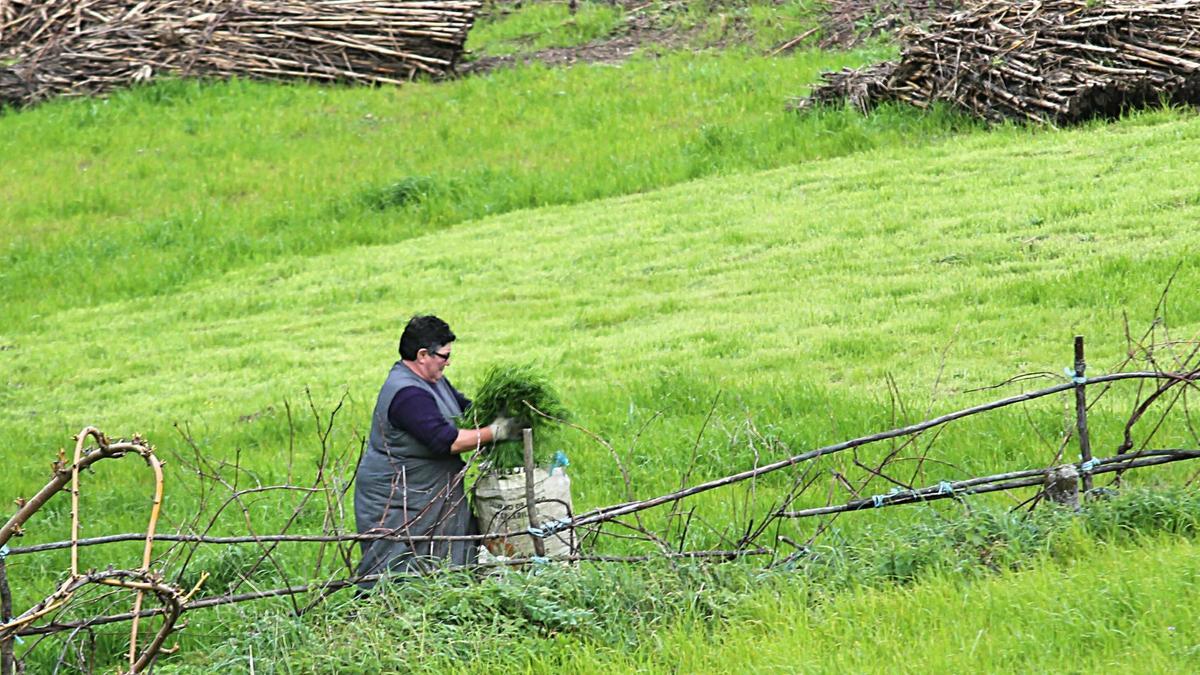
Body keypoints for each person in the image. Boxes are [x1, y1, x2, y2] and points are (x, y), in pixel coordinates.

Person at [354, 315, 521, 585]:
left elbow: (465, 411)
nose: (448, 362)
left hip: (429, 492)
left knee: (442, 563)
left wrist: (499, 411)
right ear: (422, 355)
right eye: (444, 356)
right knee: (397, 568)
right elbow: (448, 441)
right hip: (399, 498)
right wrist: (497, 432)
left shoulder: (434, 381)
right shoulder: (407, 394)